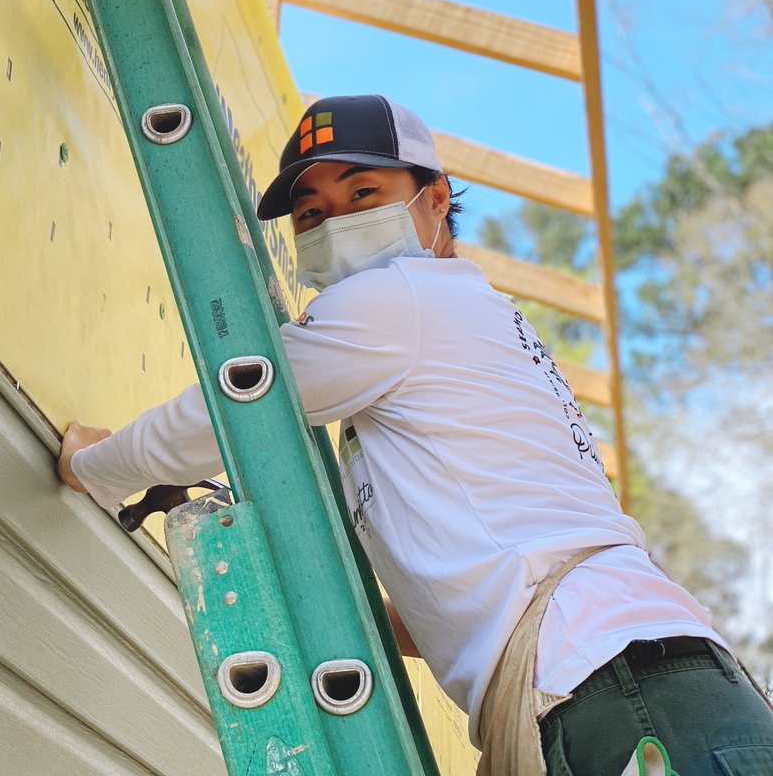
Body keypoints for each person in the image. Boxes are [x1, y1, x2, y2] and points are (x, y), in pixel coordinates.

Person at [60, 94, 773, 776]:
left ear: (436, 199)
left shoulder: (397, 299)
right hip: (630, 680)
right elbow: (469, 586)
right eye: (312, 214)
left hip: (615, 687)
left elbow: (236, 403)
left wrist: (92, 465)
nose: (335, 222)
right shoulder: (461, 320)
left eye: (362, 193)